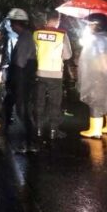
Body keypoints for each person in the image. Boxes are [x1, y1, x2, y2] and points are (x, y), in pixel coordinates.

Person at [33, 10, 72, 140]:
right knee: (54, 103)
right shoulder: (62, 34)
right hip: (55, 74)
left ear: (46, 20)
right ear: (57, 20)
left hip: (40, 72)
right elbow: (67, 55)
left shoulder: (37, 33)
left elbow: (33, 53)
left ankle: (38, 129)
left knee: (39, 101)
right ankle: (53, 131)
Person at [5, 8, 38, 152]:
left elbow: (19, 63)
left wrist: (14, 83)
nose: (11, 26)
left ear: (18, 23)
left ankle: (30, 142)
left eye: (12, 24)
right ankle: (6, 137)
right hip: (21, 79)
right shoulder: (25, 36)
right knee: (9, 106)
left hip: (22, 80)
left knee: (22, 111)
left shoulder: (25, 38)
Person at [0, 17, 18, 125]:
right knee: (10, 93)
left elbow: (5, 57)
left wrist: (0, 72)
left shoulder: (7, 38)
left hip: (5, 71)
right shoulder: (16, 36)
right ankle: (10, 116)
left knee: (1, 93)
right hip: (14, 70)